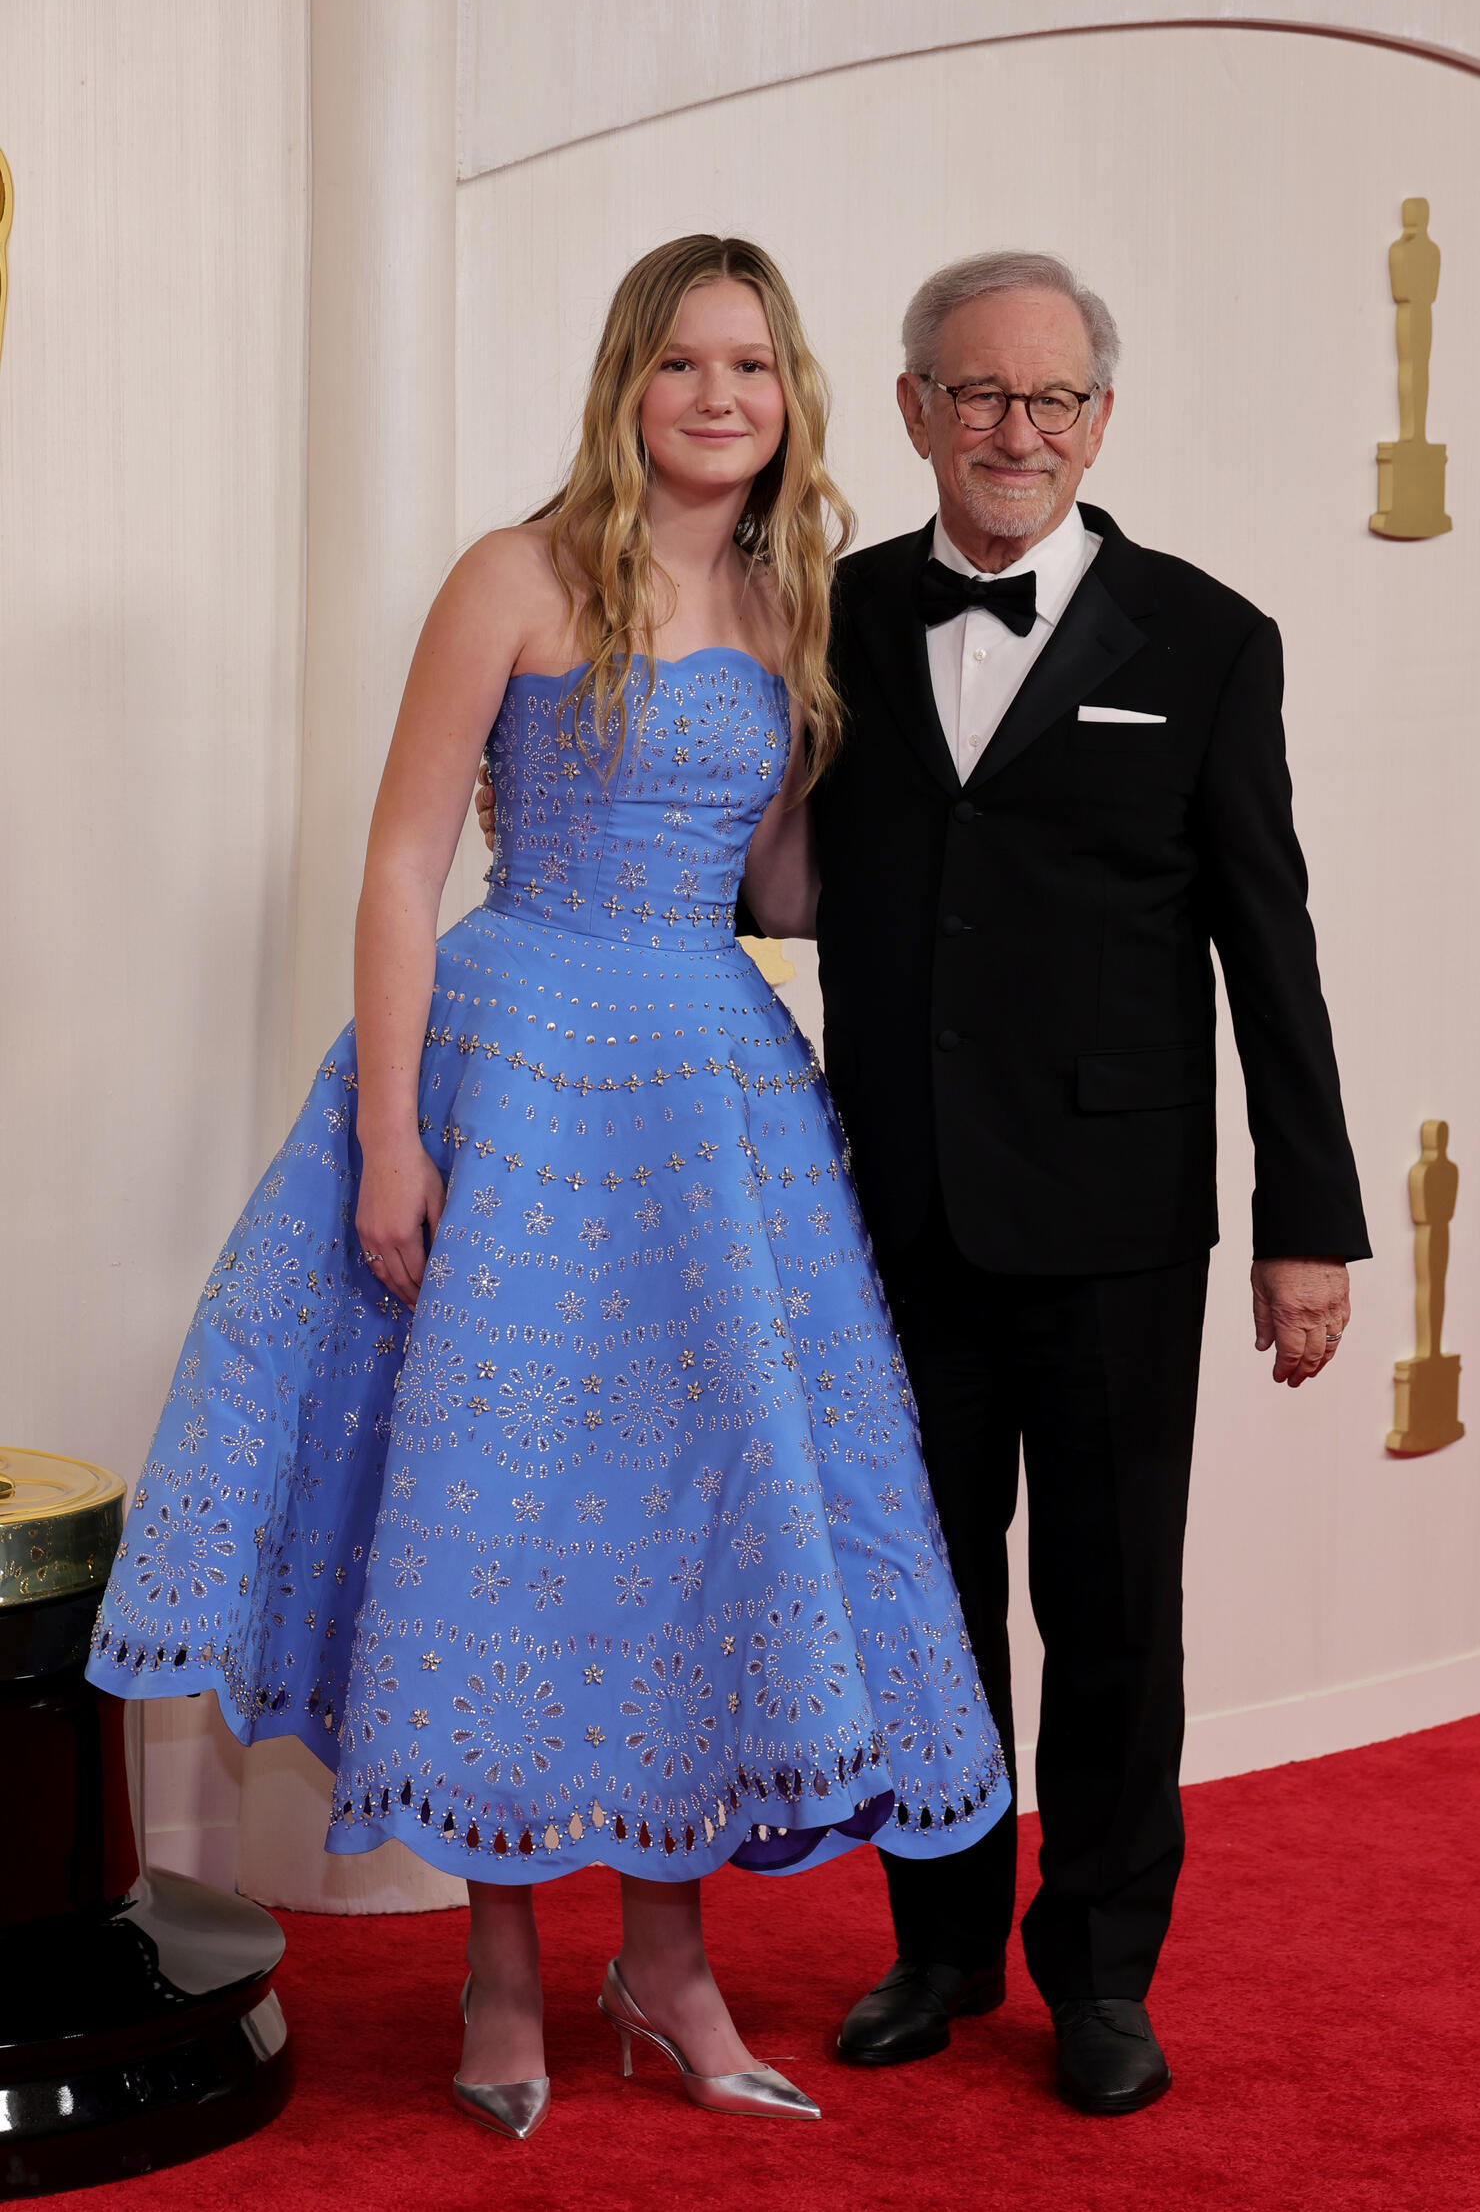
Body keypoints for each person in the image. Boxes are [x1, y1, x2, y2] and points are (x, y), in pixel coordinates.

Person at [85, 235, 1011, 2141]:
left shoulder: (788, 601)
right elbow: (400, 862)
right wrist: (399, 1134)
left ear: (793, 395)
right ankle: (503, 1972)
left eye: (755, 364)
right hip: (508, 1078)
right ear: (627, 381)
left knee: (692, 1534)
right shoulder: (512, 575)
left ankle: (663, 1971)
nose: (724, 396)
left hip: (711, 1097)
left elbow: (777, 890)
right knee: (498, 1523)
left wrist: (1006, 894)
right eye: (687, 361)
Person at [812, 252, 1370, 2114]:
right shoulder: (834, 617)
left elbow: (1267, 944)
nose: (1015, 431)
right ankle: (944, 1941)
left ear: (1102, 423)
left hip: (1124, 1218)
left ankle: (1104, 1965)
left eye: (1053, 400)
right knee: (927, 1599)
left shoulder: (1209, 638)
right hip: (890, 1205)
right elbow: (771, 864)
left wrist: (1311, 1218)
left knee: (1118, 1611)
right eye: (977, 394)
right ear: (912, 411)